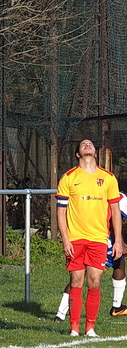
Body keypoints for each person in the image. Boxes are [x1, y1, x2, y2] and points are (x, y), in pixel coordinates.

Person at [56, 139, 123, 337]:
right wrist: (65, 239)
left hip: (99, 239)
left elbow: (115, 211)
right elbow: (61, 213)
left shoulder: (108, 178)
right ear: (78, 154)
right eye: (83, 144)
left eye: (90, 144)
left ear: (95, 153)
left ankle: (90, 328)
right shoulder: (68, 177)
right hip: (75, 239)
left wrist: (118, 239)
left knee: (95, 281)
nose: (87, 145)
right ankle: (74, 328)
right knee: (76, 280)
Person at [54, 191, 127, 321]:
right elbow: (115, 220)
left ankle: (60, 314)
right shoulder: (120, 197)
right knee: (87, 274)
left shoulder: (93, 192)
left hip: (81, 237)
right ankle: (116, 307)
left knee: (80, 275)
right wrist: (119, 242)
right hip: (99, 239)